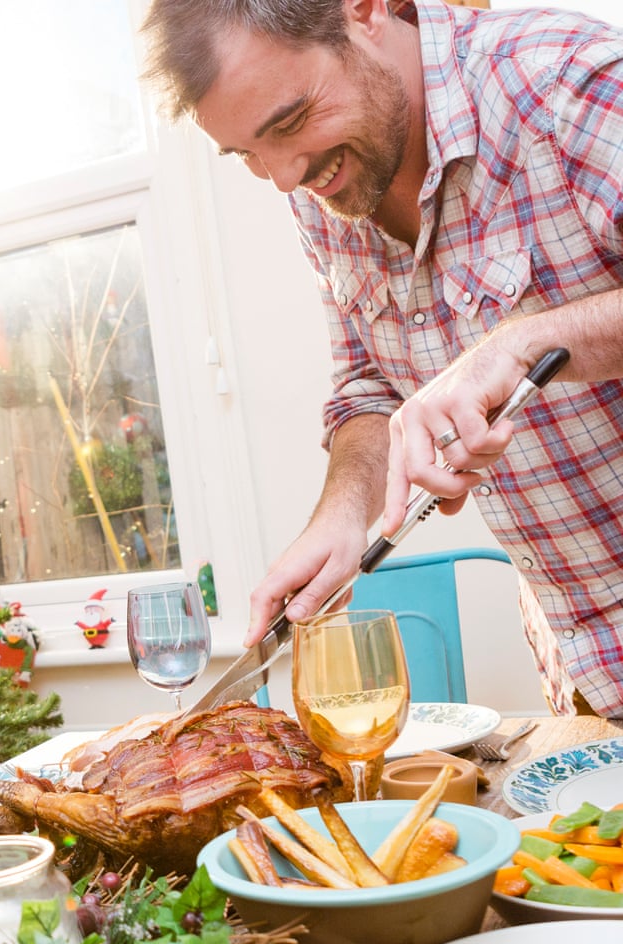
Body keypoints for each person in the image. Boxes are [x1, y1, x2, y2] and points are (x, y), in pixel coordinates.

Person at [140, 0, 623, 718]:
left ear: (363, 9)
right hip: (580, 658)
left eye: (290, 120)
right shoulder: (320, 186)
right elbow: (367, 387)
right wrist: (341, 517)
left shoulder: (560, 79)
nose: (281, 176)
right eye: (244, 153)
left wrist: (521, 344)